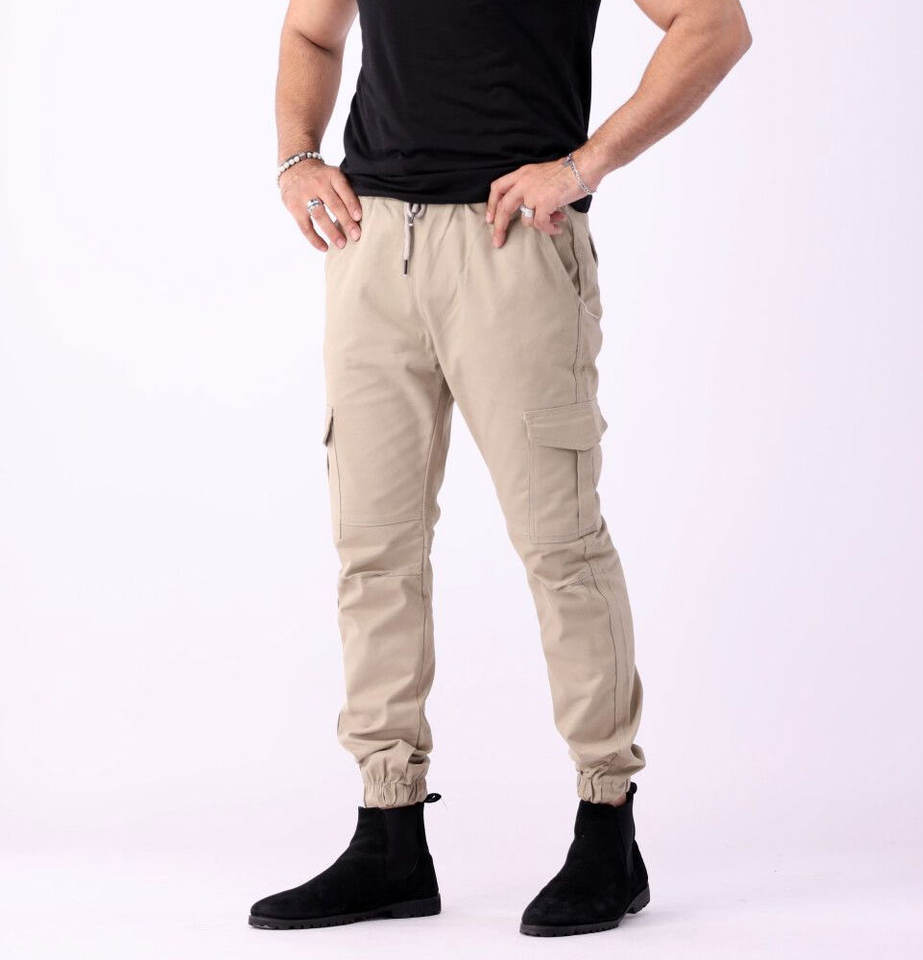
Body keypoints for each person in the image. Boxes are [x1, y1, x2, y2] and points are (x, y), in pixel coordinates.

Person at [249, 0, 750, 938]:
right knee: (374, 551)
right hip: (370, 244)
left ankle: (608, 827)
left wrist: (583, 166)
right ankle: (388, 837)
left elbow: (713, 26)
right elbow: (311, 31)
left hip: (513, 242)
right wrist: (296, 157)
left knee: (562, 546)